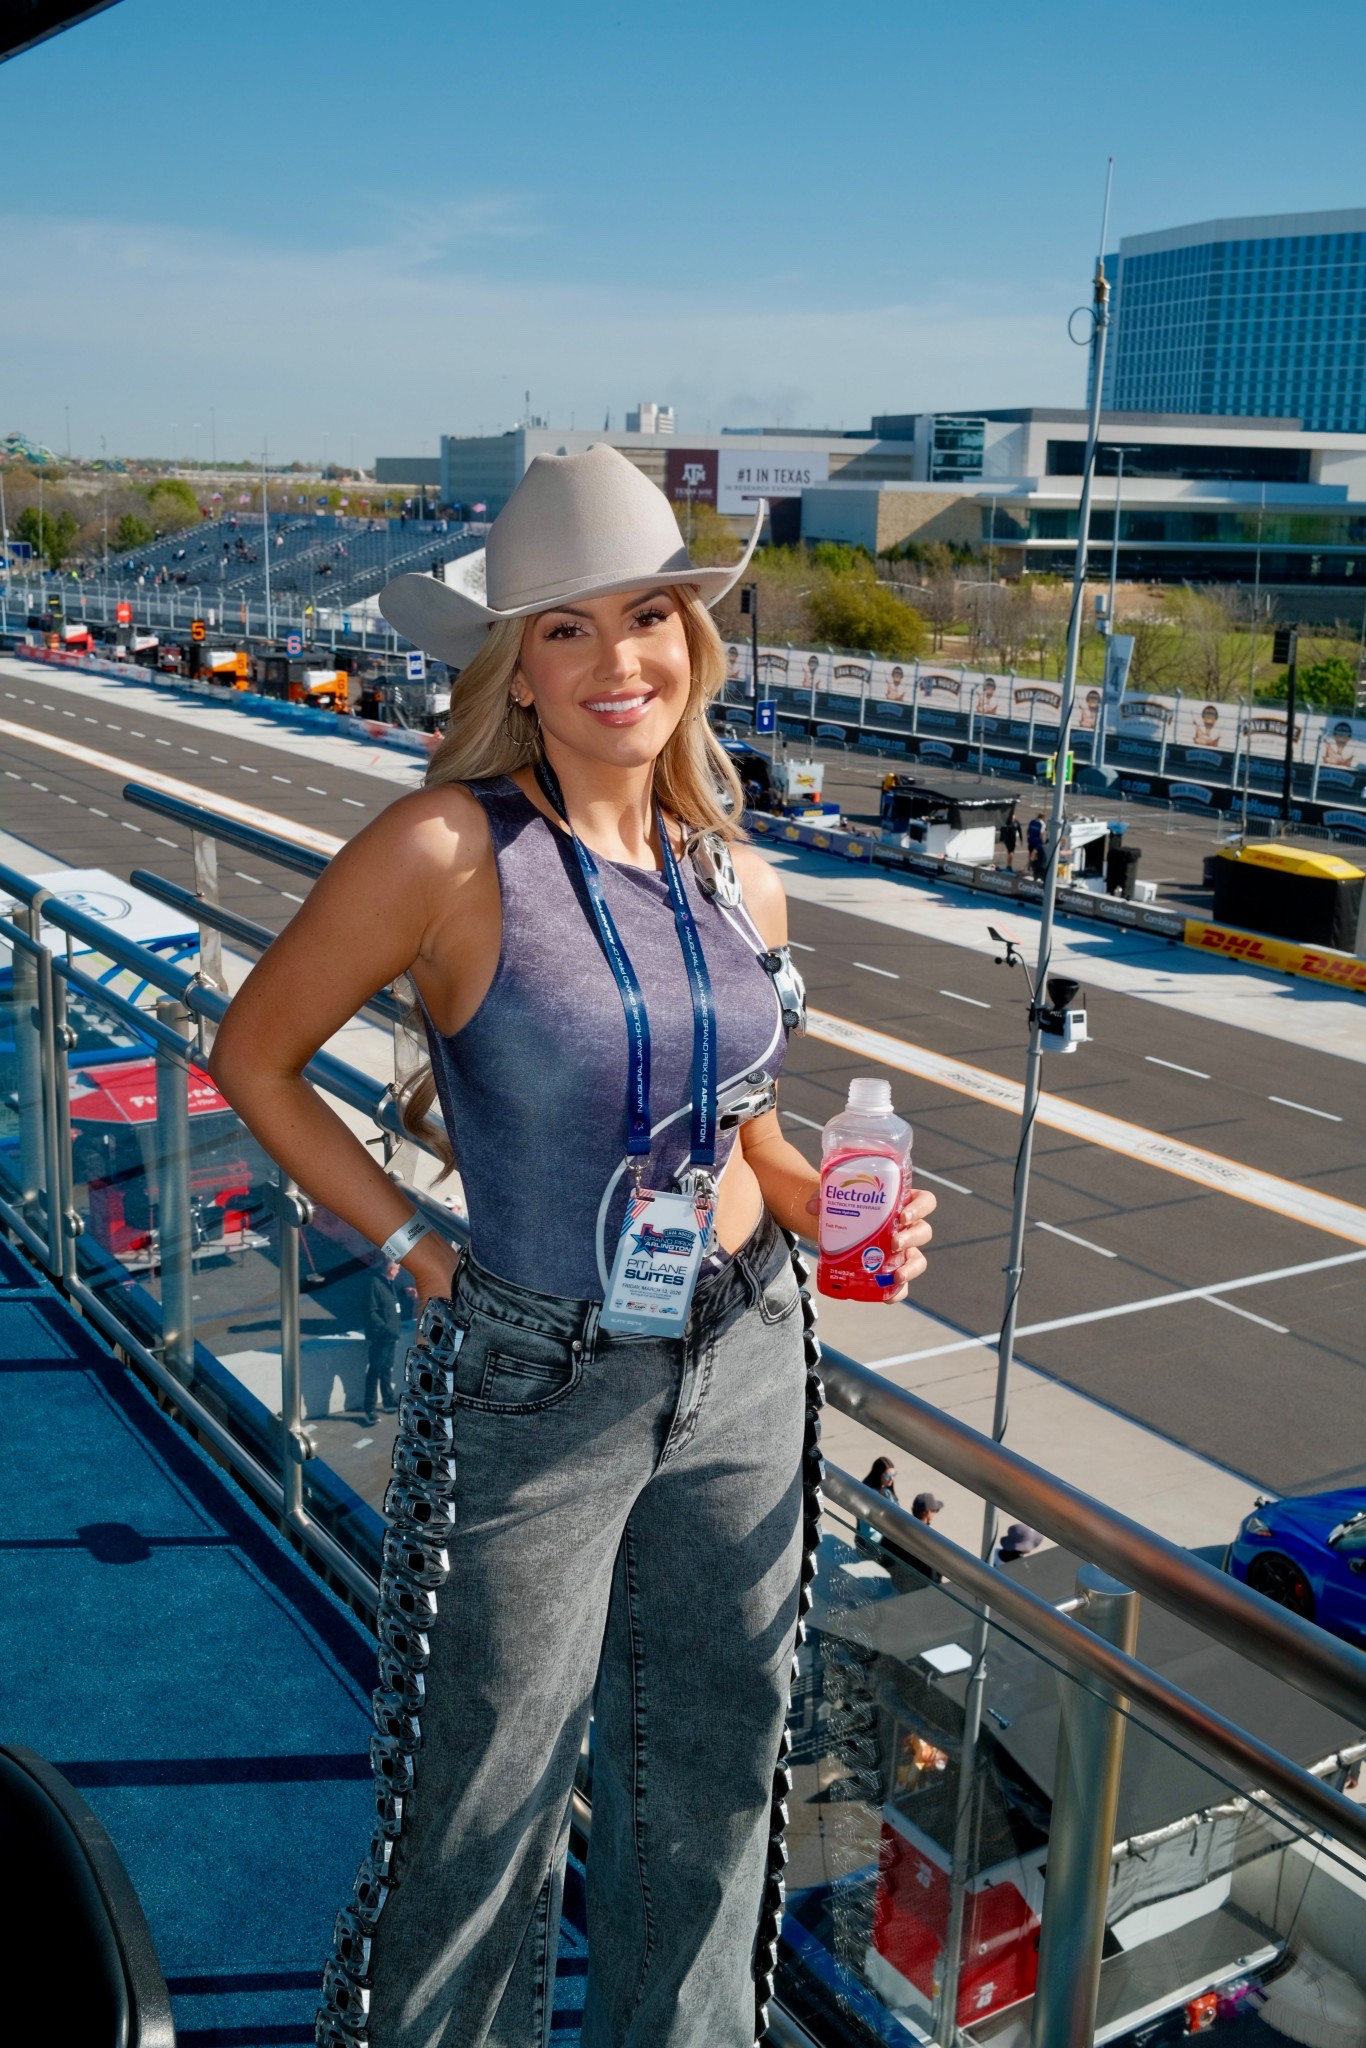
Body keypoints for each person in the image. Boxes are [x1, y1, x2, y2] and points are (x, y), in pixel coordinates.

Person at [207, 444, 936, 2048]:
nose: (622, 662)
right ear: (512, 670)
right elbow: (251, 1058)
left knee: (715, 1777)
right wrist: (413, 1246)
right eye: (567, 630)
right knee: (481, 1802)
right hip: (538, 1370)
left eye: (653, 617)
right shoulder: (447, 853)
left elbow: (736, 1114)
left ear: (698, 641)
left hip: (750, 1355)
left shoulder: (739, 873)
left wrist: (817, 1197)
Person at [362, 1258, 405, 1425]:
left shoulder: (388, 1282)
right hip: (381, 1337)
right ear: (390, 1269)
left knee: (386, 1368)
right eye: (397, 1269)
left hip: (390, 1336)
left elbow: (389, 1303)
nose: (399, 1272)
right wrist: (385, 1328)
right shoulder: (375, 1284)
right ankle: (369, 1409)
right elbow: (370, 1311)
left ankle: (387, 1401)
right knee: (374, 1371)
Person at [856, 1455, 899, 1548]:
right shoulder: (870, 1495)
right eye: (888, 1476)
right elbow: (867, 1528)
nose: (892, 1479)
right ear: (878, 1474)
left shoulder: (887, 1490)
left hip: (883, 1537)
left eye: (893, 1475)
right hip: (872, 1542)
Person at [1026, 812, 1046, 879]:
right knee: (1037, 856)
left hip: (1030, 840)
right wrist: (1043, 842)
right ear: (1043, 818)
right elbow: (1041, 834)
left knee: (1030, 854)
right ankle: (1035, 870)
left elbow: (1028, 831)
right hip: (1037, 842)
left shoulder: (1032, 821)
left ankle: (1029, 867)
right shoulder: (1042, 824)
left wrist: (1029, 838)